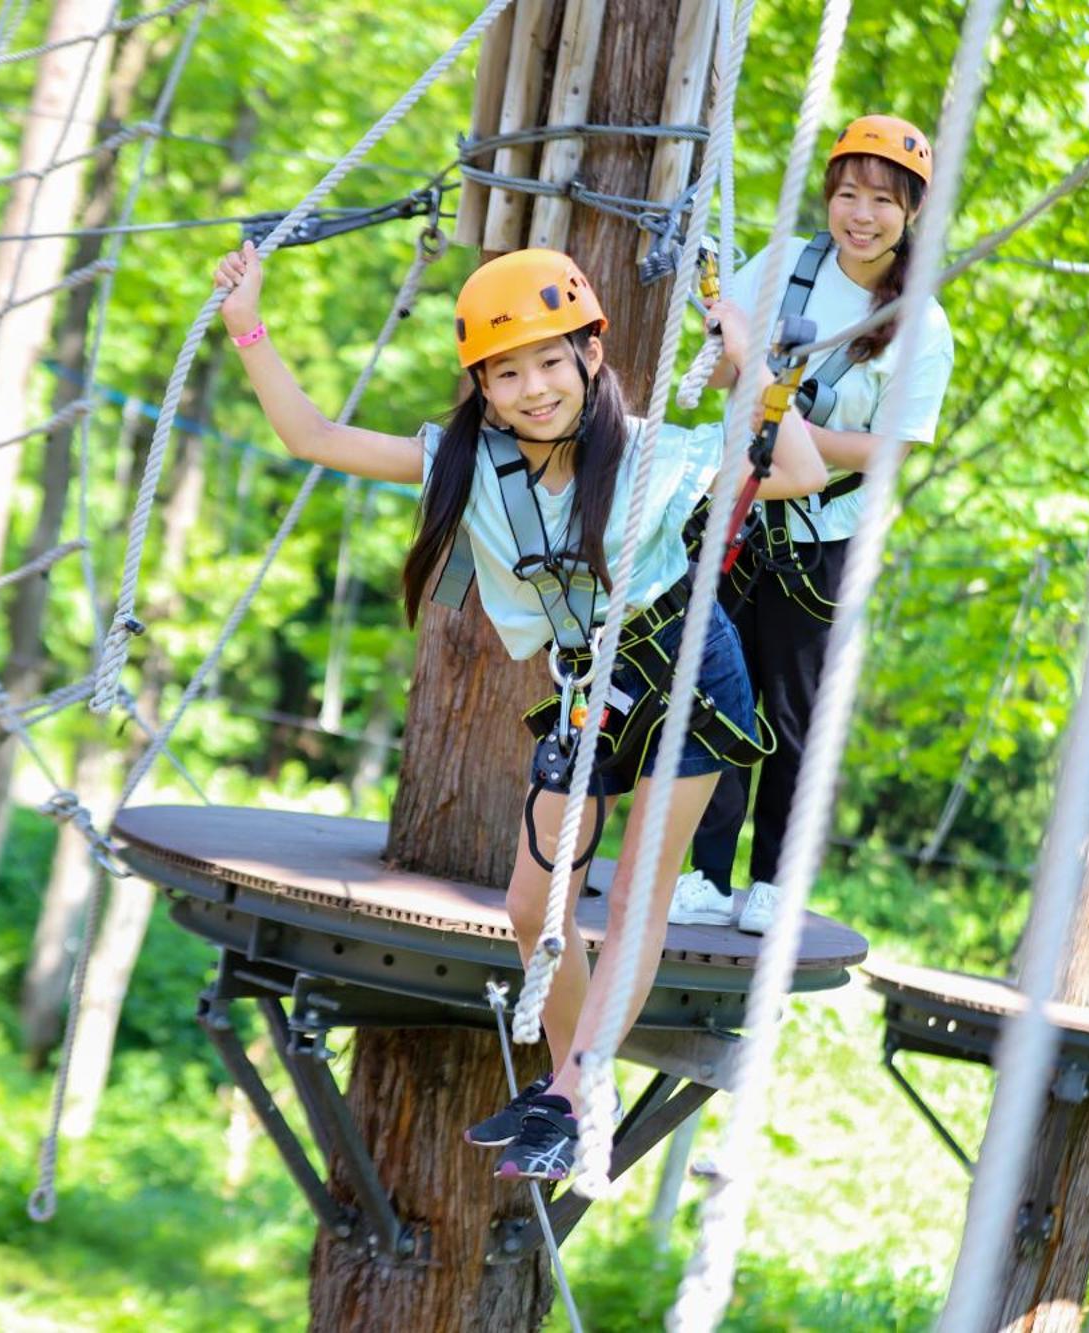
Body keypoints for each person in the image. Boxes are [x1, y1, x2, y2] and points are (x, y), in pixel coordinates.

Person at [211, 241, 826, 1181]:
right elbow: (316, 438)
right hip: (589, 688)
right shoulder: (468, 466)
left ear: (591, 356)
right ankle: (570, 1084)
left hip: (686, 671)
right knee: (531, 903)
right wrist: (245, 325)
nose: (534, 387)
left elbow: (802, 469)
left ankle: (580, 1091)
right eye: (508, 372)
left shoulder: (653, 451)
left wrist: (744, 352)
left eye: (550, 360)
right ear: (483, 388)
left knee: (630, 899)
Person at [671, 114, 956, 934]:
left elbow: (890, 451)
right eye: (847, 194)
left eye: (881, 201)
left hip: (823, 540)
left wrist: (789, 428)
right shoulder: (787, 264)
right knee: (722, 697)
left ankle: (769, 880)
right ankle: (707, 872)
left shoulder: (921, 324)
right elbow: (731, 365)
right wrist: (723, 336)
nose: (859, 215)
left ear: (911, 215)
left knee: (788, 715)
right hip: (743, 521)